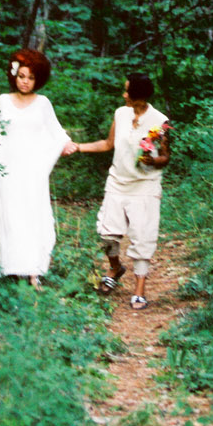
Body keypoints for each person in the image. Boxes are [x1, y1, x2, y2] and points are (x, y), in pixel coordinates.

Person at [74, 73, 169, 310]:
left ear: (140, 95)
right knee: (107, 233)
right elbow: (108, 144)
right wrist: (77, 147)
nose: (123, 94)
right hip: (118, 182)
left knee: (142, 237)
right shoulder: (120, 113)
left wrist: (151, 160)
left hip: (145, 186)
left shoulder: (160, 121)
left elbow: (165, 157)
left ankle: (139, 290)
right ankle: (115, 268)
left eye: (127, 91)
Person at [0, 48, 77, 286]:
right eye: (22, 76)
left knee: (34, 217)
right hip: (8, 173)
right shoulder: (3, 101)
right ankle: (13, 268)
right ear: (14, 75)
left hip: (33, 173)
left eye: (31, 77)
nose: (25, 82)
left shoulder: (43, 103)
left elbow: (56, 132)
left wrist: (66, 144)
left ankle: (34, 271)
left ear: (38, 79)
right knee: (11, 218)